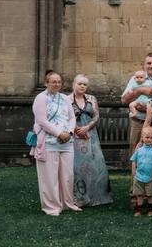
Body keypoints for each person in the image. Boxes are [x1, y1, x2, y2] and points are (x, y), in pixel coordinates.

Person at [31, 70, 81, 216]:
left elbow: (72, 118)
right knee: (49, 176)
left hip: (67, 142)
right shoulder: (40, 98)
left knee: (67, 175)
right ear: (46, 83)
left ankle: (68, 203)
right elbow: (42, 120)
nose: (57, 84)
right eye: (53, 81)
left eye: (59, 81)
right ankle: (52, 206)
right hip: (49, 141)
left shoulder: (65, 98)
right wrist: (59, 133)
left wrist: (69, 133)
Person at [69, 74, 112, 207]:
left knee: (95, 164)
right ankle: (79, 198)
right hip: (74, 136)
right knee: (77, 166)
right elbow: (65, 117)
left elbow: (96, 116)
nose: (82, 86)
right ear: (73, 84)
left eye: (85, 84)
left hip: (90, 135)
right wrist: (77, 129)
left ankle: (97, 197)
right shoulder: (67, 99)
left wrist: (86, 128)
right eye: (79, 83)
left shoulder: (92, 99)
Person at [121, 53, 152, 176]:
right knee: (135, 152)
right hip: (138, 121)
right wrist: (140, 90)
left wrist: (148, 109)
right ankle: (135, 187)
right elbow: (124, 100)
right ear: (144, 65)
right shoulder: (135, 79)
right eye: (148, 63)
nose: (151, 66)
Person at [130, 126, 152, 216]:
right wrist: (134, 172)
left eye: (151, 138)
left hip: (150, 177)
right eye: (146, 137)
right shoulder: (139, 150)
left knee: (150, 195)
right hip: (139, 176)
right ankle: (138, 209)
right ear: (142, 138)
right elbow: (134, 161)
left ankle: (150, 209)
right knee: (139, 194)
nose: (148, 139)